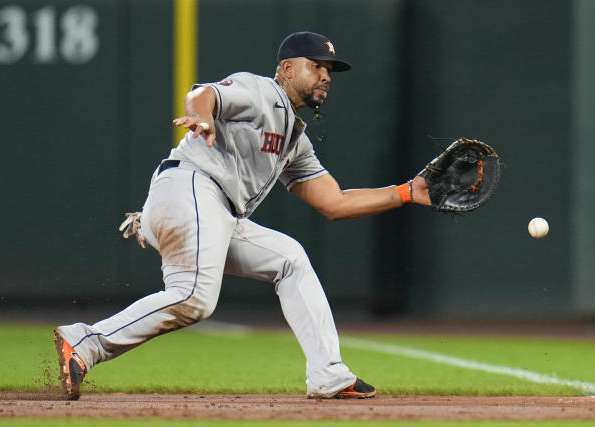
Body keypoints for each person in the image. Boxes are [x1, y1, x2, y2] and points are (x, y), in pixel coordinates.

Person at [54, 31, 430, 401]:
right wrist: (202, 117)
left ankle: (328, 375)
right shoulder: (261, 92)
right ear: (286, 68)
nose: (326, 76)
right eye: (316, 66)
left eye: (329, 70)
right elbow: (203, 94)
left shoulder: (294, 141)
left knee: (290, 259)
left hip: (212, 209)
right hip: (192, 189)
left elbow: (334, 202)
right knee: (193, 298)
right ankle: (85, 342)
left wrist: (407, 192)